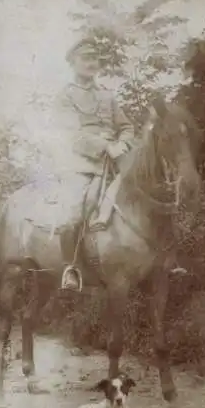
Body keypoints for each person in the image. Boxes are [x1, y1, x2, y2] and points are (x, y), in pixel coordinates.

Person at [60, 38, 135, 289]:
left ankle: (161, 260)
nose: (91, 63)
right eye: (85, 59)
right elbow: (72, 134)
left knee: (149, 192)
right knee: (75, 212)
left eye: (94, 59)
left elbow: (126, 126)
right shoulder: (65, 95)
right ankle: (71, 268)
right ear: (73, 62)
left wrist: (123, 143)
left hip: (116, 161)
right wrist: (105, 146)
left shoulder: (107, 95)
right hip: (82, 163)